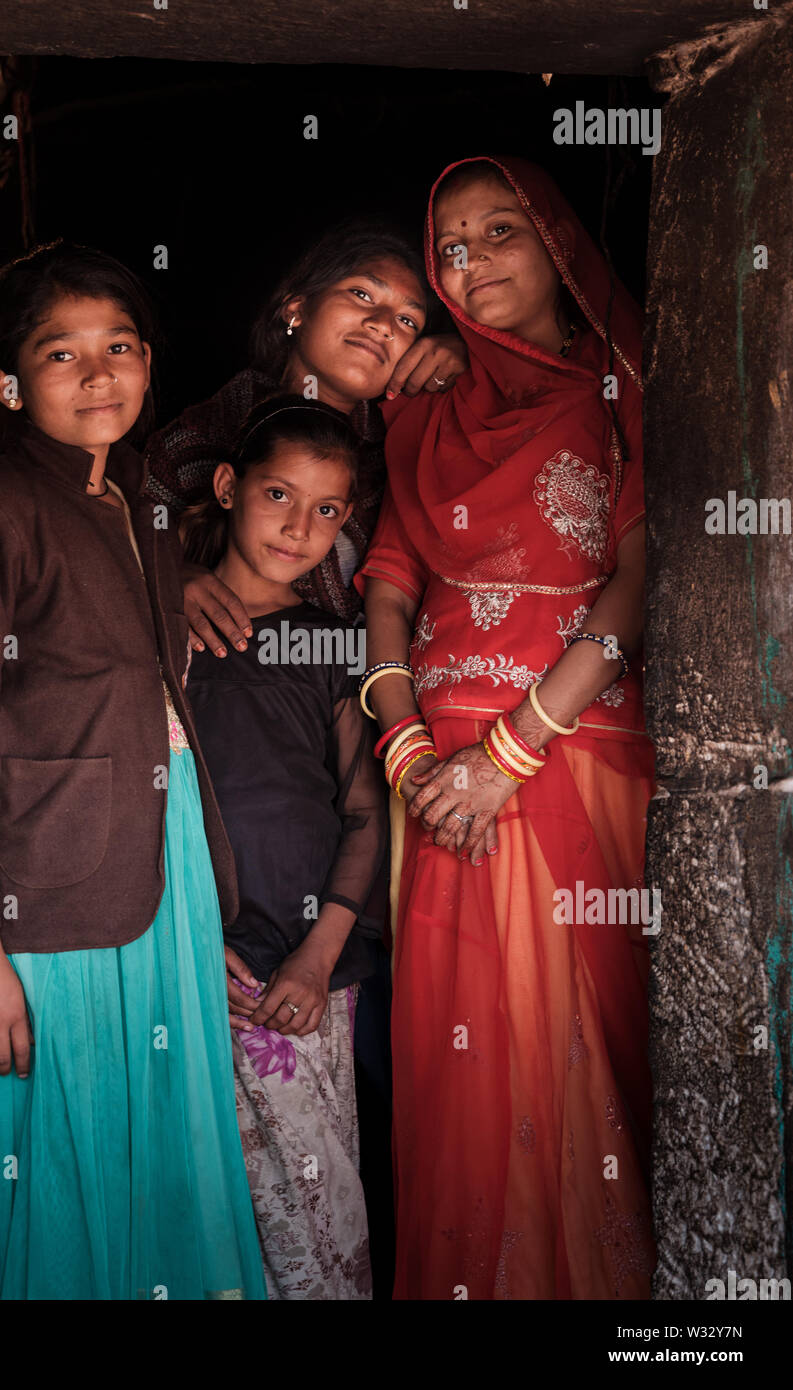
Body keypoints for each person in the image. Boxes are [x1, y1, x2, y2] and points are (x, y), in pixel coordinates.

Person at [0, 240, 266, 1301]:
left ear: (150, 365)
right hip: (41, 885)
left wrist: (182, 580)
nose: (100, 374)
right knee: (52, 1120)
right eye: (62, 354)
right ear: (10, 382)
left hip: (164, 854)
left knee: (152, 1112)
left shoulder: (140, 497)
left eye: (122, 347)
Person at [357, 156, 655, 1300]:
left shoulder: (624, 392)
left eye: (499, 233)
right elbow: (387, 587)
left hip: (567, 766)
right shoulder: (421, 412)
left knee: (579, 1074)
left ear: (561, 246)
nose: (471, 261)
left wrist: (507, 755)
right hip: (433, 787)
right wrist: (412, 751)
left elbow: (634, 583)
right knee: (465, 1082)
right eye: (452, 247)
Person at [180, 396, 387, 1299]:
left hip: (306, 972)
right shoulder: (164, 634)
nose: (300, 527)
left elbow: (365, 812)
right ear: (227, 487)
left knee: (315, 1207)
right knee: (201, 1205)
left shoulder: (334, 646)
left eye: (328, 510)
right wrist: (183, 939)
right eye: (277, 495)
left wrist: (316, 955)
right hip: (185, 963)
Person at [145, 220, 468, 644]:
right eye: (362, 294)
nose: (384, 324)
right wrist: (169, 577)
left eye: (408, 320)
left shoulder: (411, 451)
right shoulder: (200, 435)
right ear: (296, 308)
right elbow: (109, 539)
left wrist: (474, 359)